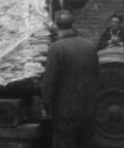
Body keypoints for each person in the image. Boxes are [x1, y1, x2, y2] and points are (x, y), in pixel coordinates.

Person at [42, 10, 99, 148]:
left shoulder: (57, 48)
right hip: (89, 108)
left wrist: (46, 105)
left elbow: (50, 81)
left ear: (56, 26)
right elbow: (97, 75)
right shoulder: (90, 45)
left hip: (66, 110)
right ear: (72, 24)